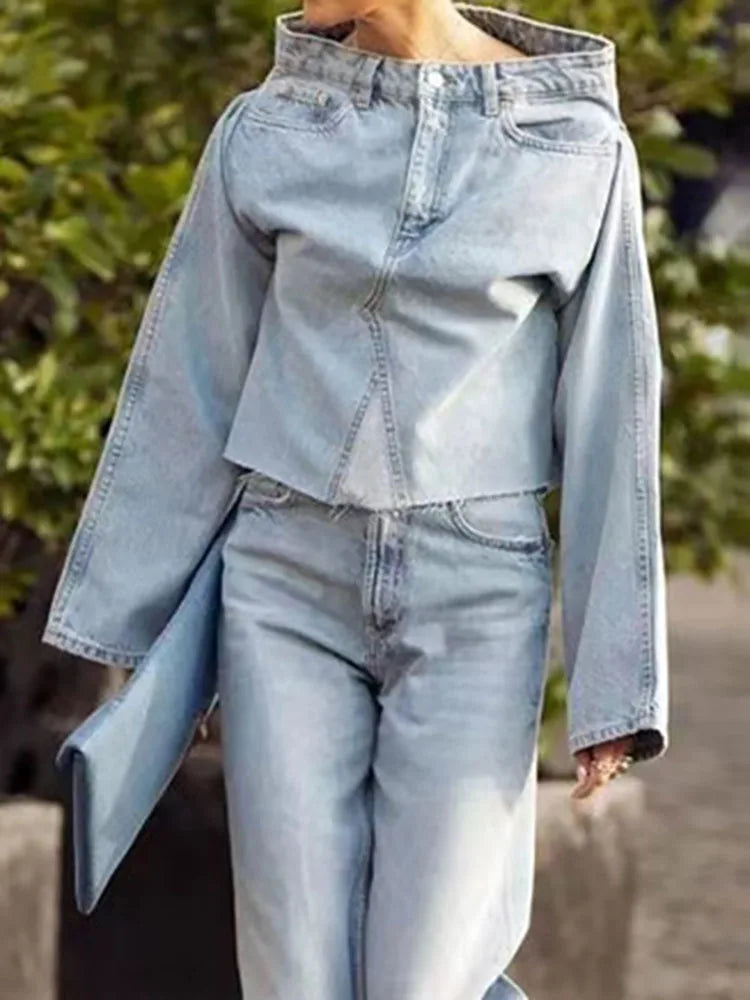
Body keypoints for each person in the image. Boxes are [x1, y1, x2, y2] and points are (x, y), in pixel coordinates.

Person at [42, 2, 670, 996]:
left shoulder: (580, 146)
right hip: (282, 585)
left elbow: (612, 414)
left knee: (427, 979)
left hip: (478, 601)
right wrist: (144, 635)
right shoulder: (268, 128)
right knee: (293, 976)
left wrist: (614, 686)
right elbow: (191, 379)